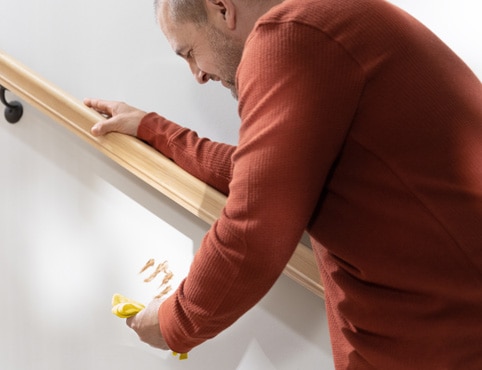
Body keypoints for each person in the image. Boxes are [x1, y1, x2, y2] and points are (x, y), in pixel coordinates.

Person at [84, 0, 482, 368]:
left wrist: (172, 321)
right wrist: (153, 129)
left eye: (189, 52)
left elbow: (253, 231)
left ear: (222, 7)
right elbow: (261, 176)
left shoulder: (289, 35)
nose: (199, 74)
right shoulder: (321, 27)